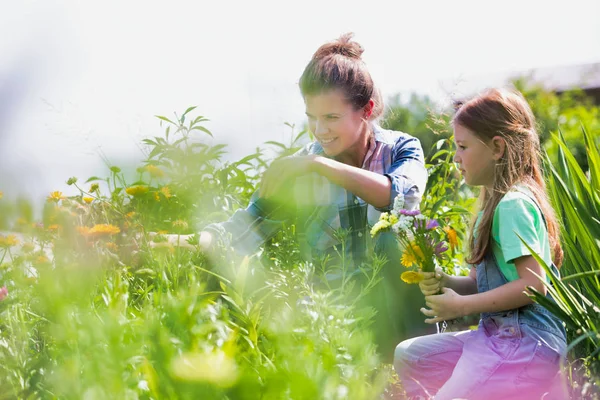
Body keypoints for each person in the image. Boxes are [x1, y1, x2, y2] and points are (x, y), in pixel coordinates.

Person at [154, 33, 435, 360]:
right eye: (311, 117)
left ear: (366, 110)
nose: (320, 130)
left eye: (331, 117)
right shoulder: (298, 170)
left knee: (396, 237)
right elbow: (244, 229)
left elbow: (400, 198)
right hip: (333, 314)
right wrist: (172, 242)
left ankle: (422, 366)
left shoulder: (400, 149)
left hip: (401, 315)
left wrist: (319, 165)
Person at [394, 88, 567, 399]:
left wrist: (460, 306)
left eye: (462, 146)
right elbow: (482, 283)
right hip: (498, 336)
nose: (456, 157)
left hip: (527, 342)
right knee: (411, 355)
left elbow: (532, 285)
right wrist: (446, 282)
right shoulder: (493, 204)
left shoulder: (514, 205)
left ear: (497, 148)